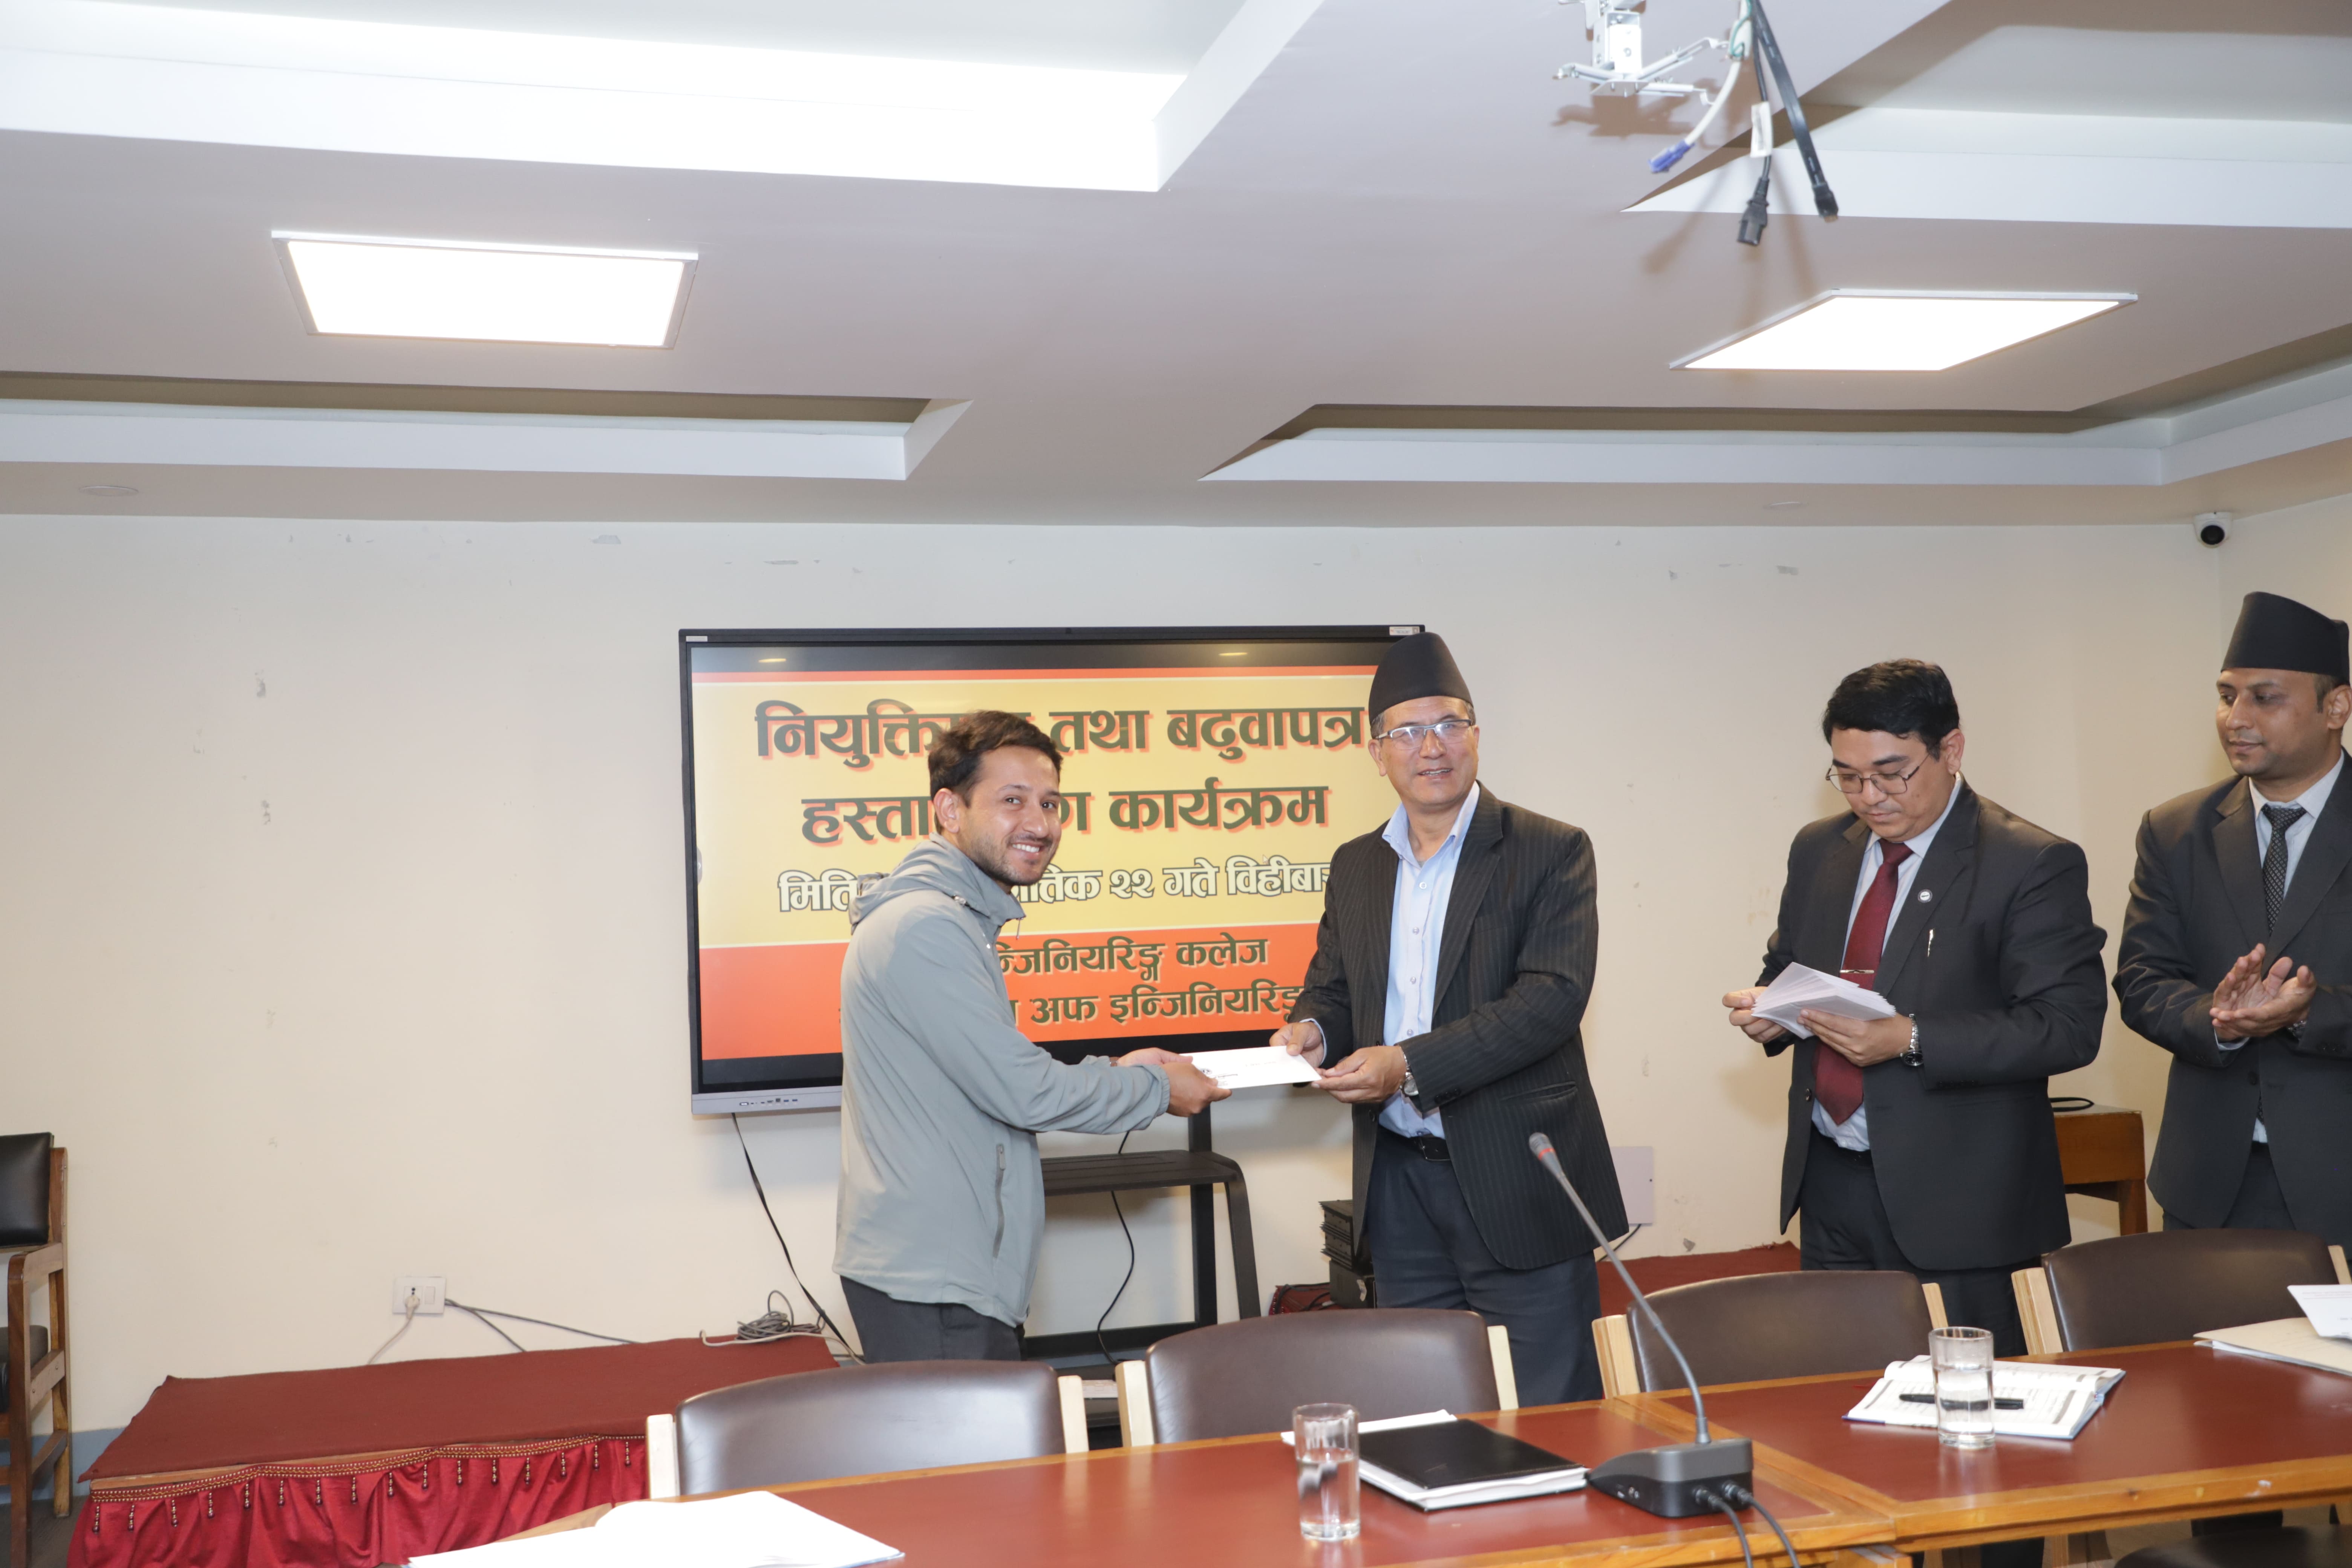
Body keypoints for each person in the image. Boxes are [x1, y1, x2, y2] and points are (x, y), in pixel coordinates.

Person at [1273, 632, 1623, 1404]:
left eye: (1448, 725)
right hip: (1399, 1183)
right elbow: (1334, 987)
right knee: (1426, 1406)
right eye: (1407, 732)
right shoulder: (1357, 864)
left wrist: (1408, 1064)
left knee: (1551, 1409)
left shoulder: (1550, 849)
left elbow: (1550, 1000)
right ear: (1376, 753)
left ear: (1475, 735)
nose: (1431, 748)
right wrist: (1313, 1032)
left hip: (1516, 1176)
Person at [1723, 660, 2107, 1357]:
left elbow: (2067, 1027)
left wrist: (1912, 1038)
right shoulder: (1821, 849)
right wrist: (1770, 1007)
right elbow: (1789, 963)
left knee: (1966, 1404)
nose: (1869, 797)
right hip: (1832, 1181)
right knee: (1839, 1391)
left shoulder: (2029, 862)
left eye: (1891, 773)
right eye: (1847, 776)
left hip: (1962, 1203)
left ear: (1950, 750)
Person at [835, 710, 1227, 1362]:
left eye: (1050, 804)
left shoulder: (954, 918)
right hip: (934, 1279)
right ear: (950, 810)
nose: (1040, 825)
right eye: (1012, 801)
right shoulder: (925, 928)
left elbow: (991, 1075)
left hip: (948, 1270)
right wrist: (1157, 1089)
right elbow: (1024, 1091)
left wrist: (1121, 1069)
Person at [2116, 591, 2352, 1248]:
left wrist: (2305, 1012)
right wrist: (2217, 1020)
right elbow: (2142, 979)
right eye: (2226, 696)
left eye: (2265, 698)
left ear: (2336, 707)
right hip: (2210, 1184)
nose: (2236, 719)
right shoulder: (2175, 830)